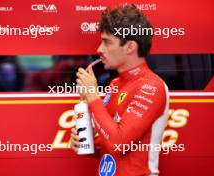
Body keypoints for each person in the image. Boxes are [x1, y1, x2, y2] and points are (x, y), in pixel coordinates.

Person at [70, 4, 169, 176]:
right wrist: (88, 143)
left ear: (130, 47)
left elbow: (119, 144)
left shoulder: (152, 86)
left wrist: (92, 96)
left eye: (107, 42)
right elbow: (108, 141)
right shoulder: (115, 84)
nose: (99, 49)